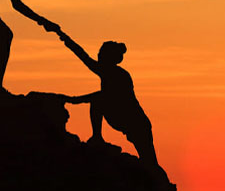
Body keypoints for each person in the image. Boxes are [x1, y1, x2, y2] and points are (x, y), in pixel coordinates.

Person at [53, 27, 169, 182]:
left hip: (136, 123)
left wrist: (73, 100)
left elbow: (102, 95)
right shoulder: (110, 71)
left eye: (101, 53)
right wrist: (62, 36)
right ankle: (97, 137)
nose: (98, 55)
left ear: (109, 57)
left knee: (149, 162)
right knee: (149, 162)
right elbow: (83, 57)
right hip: (124, 117)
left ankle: (160, 186)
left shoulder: (117, 74)